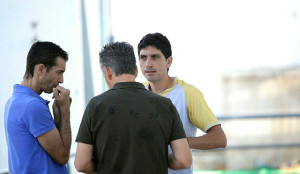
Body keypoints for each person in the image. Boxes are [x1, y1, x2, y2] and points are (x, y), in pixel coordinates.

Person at [74, 41, 192, 174]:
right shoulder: (165, 105)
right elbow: (184, 160)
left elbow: (81, 163)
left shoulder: (95, 106)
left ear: (107, 72)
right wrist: (161, 161)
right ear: (136, 71)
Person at [138, 33, 227, 174]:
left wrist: (179, 141)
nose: (148, 63)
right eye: (143, 58)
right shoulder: (136, 93)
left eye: (155, 57)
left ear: (169, 61)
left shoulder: (187, 92)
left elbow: (219, 139)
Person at [4, 41, 72, 174]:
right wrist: (65, 111)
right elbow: (62, 156)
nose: (61, 80)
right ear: (41, 69)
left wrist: (58, 116)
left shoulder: (14, 101)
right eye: (59, 72)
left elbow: (48, 148)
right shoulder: (32, 106)